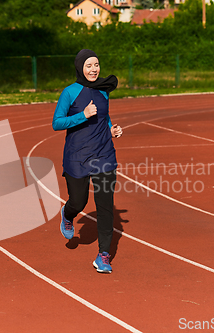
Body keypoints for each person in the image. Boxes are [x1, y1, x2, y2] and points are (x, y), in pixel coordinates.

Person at [52, 49, 123, 274]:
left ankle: (103, 255)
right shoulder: (69, 92)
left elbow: (105, 117)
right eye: (89, 66)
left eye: (96, 65)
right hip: (77, 156)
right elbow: (57, 122)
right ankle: (68, 214)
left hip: (104, 154)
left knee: (105, 206)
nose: (94, 70)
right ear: (80, 67)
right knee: (79, 201)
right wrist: (82, 115)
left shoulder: (103, 91)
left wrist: (112, 129)